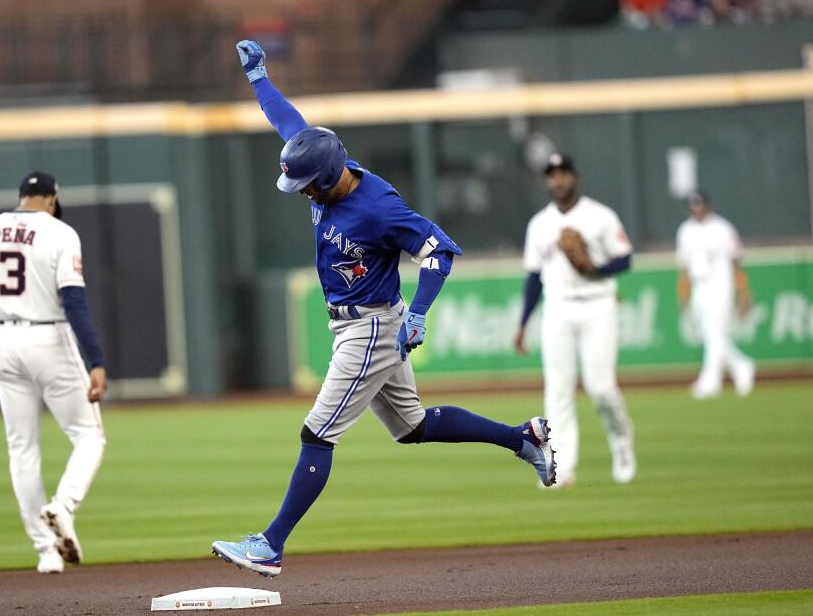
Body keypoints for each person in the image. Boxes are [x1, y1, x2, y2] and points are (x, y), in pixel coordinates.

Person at [211, 40, 556, 578]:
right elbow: (290, 123)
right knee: (413, 427)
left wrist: (419, 312)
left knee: (317, 434)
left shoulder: (377, 207)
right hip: (360, 322)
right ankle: (523, 437)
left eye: (305, 187)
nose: (300, 194)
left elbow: (439, 252)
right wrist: (259, 78)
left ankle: (270, 545)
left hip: (370, 327)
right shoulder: (322, 163)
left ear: (327, 178)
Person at [0, 171, 108, 574]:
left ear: (20, 197)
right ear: (52, 198)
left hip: (3, 344)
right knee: (88, 436)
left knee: (22, 449)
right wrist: (96, 361)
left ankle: (46, 552)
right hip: (49, 340)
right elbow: (74, 302)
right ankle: (63, 506)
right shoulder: (60, 232)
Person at [513, 153, 636, 489]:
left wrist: (597, 270)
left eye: (563, 173)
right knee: (557, 391)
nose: (557, 179)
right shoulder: (539, 224)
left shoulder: (600, 216)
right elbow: (534, 278)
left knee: (601, 387)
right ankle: (562, 465)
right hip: (558, 309)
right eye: (551, 174)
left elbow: (625, 258)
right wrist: (523, 323)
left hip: (598, 306)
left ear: (574, 177)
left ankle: (621, 441)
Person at [675, 191, 755, 399]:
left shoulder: (723, 228)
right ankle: (741, 366)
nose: (697, 211)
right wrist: (683, 293)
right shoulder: (685, 230)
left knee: (716, 332)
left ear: (708, 206)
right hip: (699, 286)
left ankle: (711, 380)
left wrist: (744, 291)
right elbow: (684, 266)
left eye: (700, 206)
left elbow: (736, 261)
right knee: (708, 334)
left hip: (720, 283)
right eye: (693, 207)